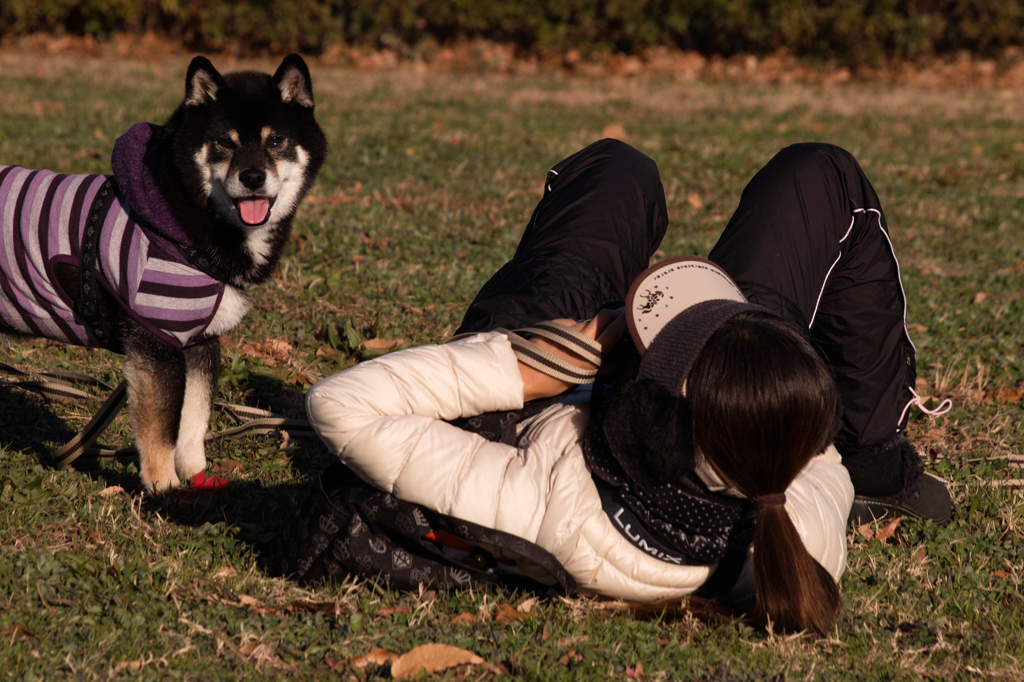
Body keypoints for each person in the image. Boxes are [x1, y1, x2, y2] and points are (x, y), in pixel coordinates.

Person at [305, 139, 944, 632]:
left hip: (545, 379)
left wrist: (555, 357)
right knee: (818, 172)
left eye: (656, 347)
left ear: (651, 413)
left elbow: (341, 405)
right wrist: (746, 356)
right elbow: (809, 448)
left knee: (615, 170)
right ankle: (881, 462)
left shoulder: (546, 503)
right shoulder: (800, 522)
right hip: (729, 391)